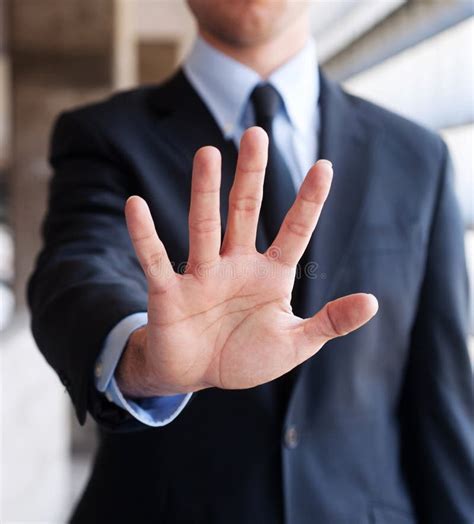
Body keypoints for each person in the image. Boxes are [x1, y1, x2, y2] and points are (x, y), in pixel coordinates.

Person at [28, 1, 473, 522]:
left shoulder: (417, 156)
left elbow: (440, 397)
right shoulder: (101, 137)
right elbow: (78, 271)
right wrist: (146, 360)